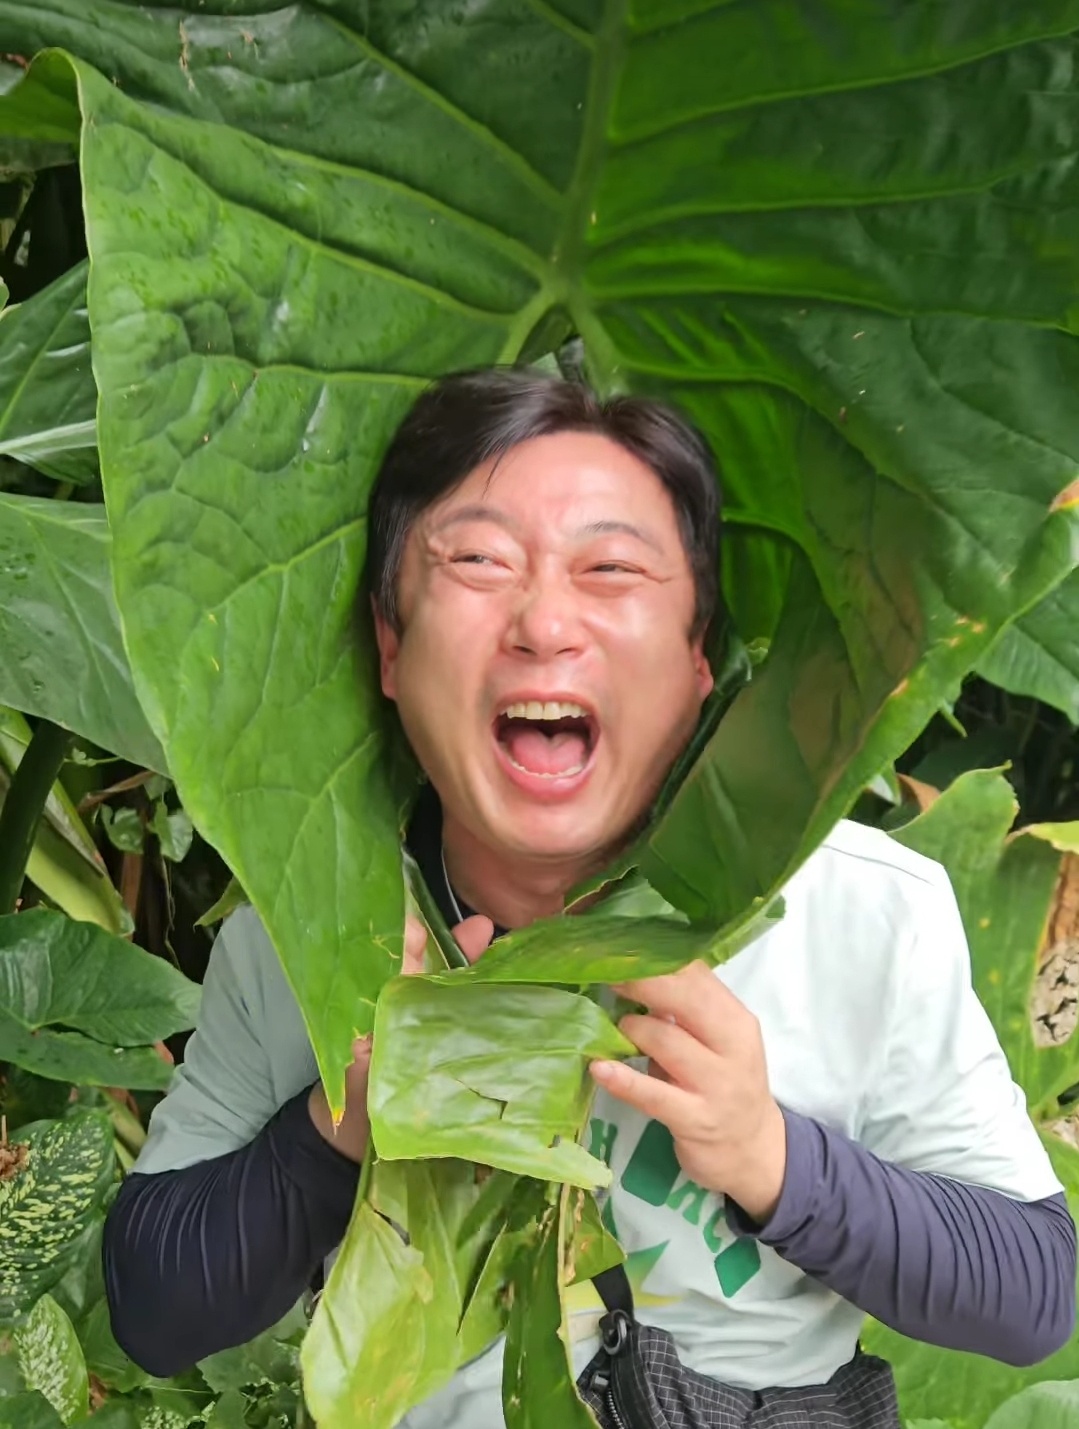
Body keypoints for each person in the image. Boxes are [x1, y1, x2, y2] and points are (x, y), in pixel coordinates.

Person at [104, 369, 1076, 1427]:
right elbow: (153, 1309)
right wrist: (342, 1120)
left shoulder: (859, 912)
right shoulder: (313, 931)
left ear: (697, 657)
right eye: (479, 562)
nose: (543, 622)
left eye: (610, 568)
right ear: (389, 647)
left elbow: (1031, 1290)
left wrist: (770, 1155)